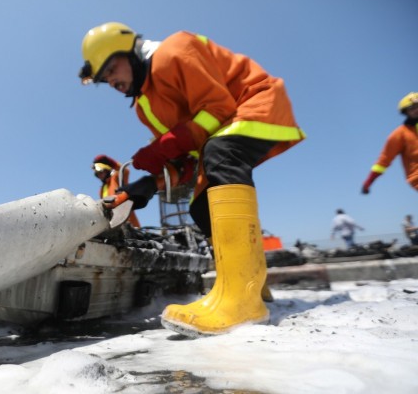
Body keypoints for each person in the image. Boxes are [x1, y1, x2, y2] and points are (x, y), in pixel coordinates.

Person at [79, 22, 306, 336]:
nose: (110, 79)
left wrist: (163, 145)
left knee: (222, 153)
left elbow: (219, 109)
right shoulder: (145, 106)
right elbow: (188, 158)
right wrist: (146, 187)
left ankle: (241, 300)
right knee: (201, 205)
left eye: (111, 68)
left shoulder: (175, 50)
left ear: (129, 52)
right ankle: (255, 286)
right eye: (104, 78)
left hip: (255, 102)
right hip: (220, 134)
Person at [362, 92, 418, 193]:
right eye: (412, 108)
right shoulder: (400, 134)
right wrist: (369, 182)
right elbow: (384, 160)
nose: (417, 110)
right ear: (406, 112)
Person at [92, 154, 140, 227]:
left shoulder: (115, 178)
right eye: (98, 174)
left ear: (107, 170)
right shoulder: (101, 190)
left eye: (101, 172)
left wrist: (112, 162)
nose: (100, 176)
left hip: (127, 221)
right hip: (113, 223)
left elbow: (125, 171)